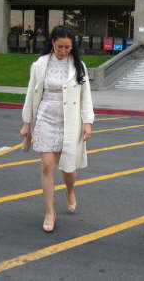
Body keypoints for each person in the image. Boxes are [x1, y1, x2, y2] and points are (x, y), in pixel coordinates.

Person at [20, 25, 94, 233]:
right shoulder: (40, 65)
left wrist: (87, 122)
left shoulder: (79, 66)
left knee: (68, 168)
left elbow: (86, 96)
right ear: (52, 43)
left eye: (67, 47)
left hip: (70, 121)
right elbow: (31, 93)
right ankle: (49, 212)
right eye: (60, 46)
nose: (63, 51)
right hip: (45, 117)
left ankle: (70, 190)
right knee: (47, 166)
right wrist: (27, 123)